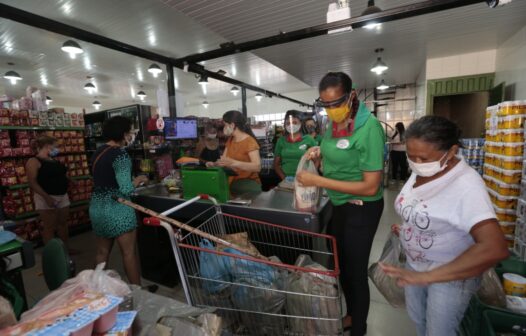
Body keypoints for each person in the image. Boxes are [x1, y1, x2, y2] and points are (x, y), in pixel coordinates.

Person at [380, 116, 509, 336]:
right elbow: (427, 207)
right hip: (415, 265)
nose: (416, 163)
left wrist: (427, 277)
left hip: (450, 275)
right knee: (418, 320)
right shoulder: (421, 170)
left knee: (439, 331)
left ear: (451, 152)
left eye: (423, 158)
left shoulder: (467, 185)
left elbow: (494, 247)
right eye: (411, 157)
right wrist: (409, 226)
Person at [296, 72, 385, 335]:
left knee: (355, 272)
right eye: (326, 104)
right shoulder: (333, 125)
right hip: (339, 205)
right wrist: (320, 155)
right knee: (342, 267)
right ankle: (351, 315)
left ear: (352, 96)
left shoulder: (369, 128)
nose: (331, 110)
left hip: (362, 207)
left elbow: (371, 185)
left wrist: (318, 181)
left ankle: (359, 327)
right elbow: (337, 157)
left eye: (336, 103)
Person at [89, 116, 148, 285]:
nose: (130, 136)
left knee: (101, 252)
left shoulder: (98, 152)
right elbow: (126, 189)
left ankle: (95, 289)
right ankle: (138, 292)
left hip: (97, 207)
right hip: (117, 208)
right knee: (129, 253)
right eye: (130, 132)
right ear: (123, 133)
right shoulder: (120, 155)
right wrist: (139, 180)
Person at [26, 136, 71, 246]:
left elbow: (60, 175)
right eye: (55, 146)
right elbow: (32, 183)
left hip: (62, 195)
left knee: (63, 224)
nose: (57, 149)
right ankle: (52, 255)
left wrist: (71, 180)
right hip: (46, 197)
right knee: (49, 227)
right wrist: (47, 197)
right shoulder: (34, 161)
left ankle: (65, 250)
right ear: (47, 146)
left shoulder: (54, 160)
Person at [210, 110, 261, 195]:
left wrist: (234, 163)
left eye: (225, 125)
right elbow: (225, 161)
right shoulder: (230, 140)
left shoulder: (250, 142)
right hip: (231, 180)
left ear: (232, 125)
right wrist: (214, 164)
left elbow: (257, 167)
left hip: (246, 182)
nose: (224, 128)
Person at [274, 110, 317, 180]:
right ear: (285, 124)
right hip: (286, 179)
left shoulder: (309, 139)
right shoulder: (281, 141)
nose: (291, 125)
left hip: (305, 179)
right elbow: (276, 164)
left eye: (294, 122)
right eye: (288, 123)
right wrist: (284, 178)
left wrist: (311, 175)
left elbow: (317, 160)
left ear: (301, 123)